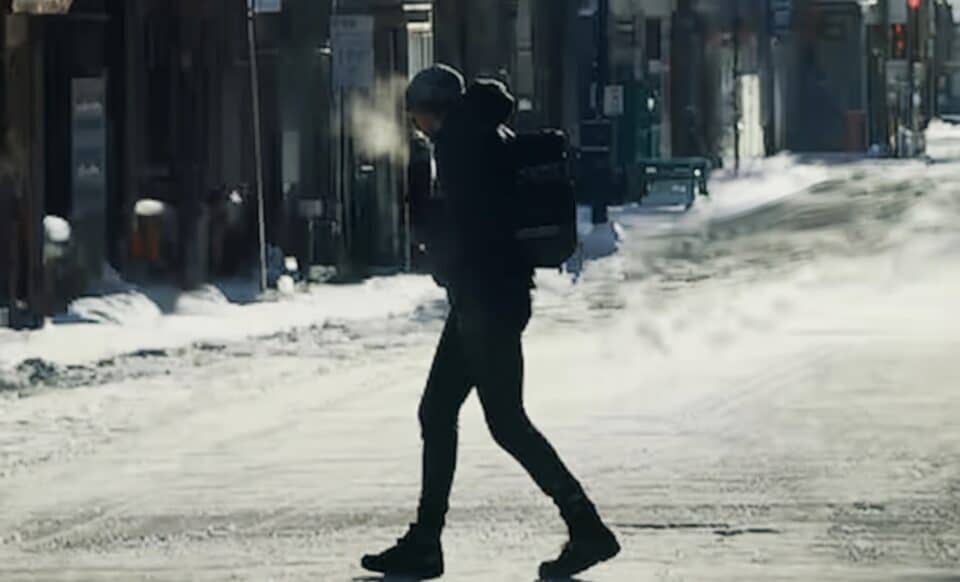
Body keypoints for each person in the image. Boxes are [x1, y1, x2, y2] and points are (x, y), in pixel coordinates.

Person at [361, 64, 619, 580]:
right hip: (486, 298)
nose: (417, 128)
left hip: (486, 300)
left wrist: (439, 248)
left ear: (433, 109)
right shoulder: (482, 133)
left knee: (506, 422)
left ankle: (586, 526)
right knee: (438, 411)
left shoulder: (459, 145)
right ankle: (426, 542)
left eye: (417, 118)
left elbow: (474, 226)